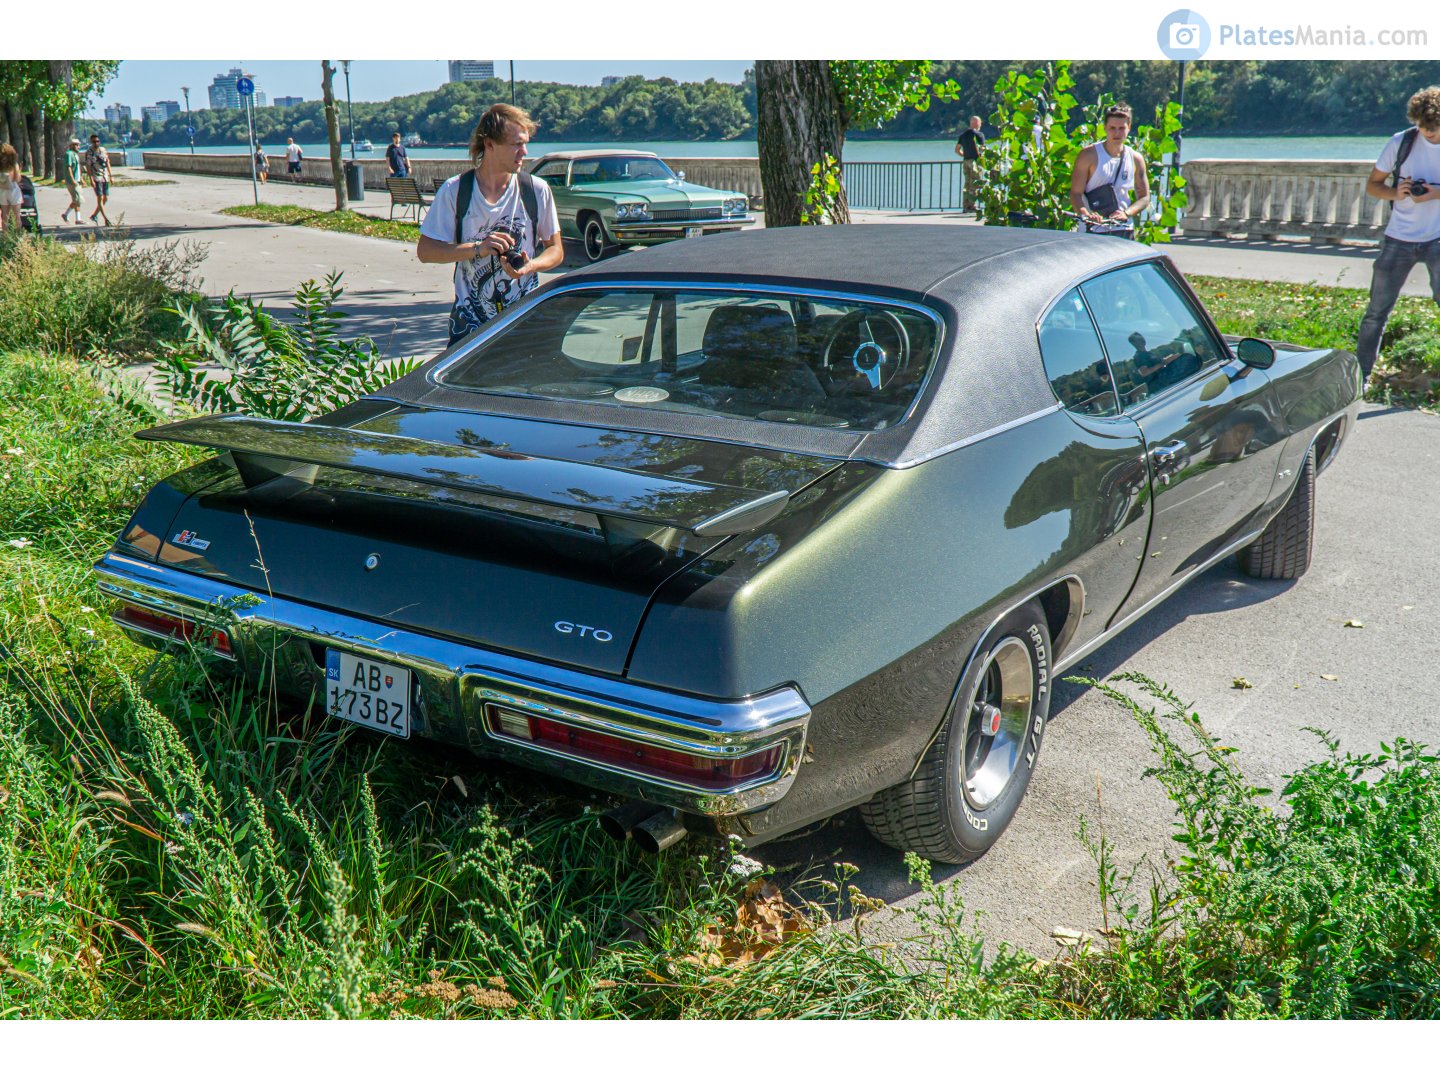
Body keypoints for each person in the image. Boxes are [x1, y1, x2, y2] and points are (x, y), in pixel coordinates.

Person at [417, 103, 564, 345]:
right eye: (517, 144)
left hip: (524, 324)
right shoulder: (456, 190)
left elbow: (556, 250)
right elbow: (426, 251)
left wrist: (531, 266)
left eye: (526, 143)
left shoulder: (536, 190)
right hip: (469, 328)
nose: (525, 152)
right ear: (489, 144)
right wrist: (478, 248)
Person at [1356, 86, 1440, 385]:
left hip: (1437, 238)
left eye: (1433, 128)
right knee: (1376, 311)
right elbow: (1373, 185)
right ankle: (1362, 376)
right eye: (1422, 127)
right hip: (1399, 238)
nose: (1427, 133)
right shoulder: (1401, 142)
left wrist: (1435, 193)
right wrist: (1396, 192)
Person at [1069, 104, 1149, 240]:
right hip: (1093, 230)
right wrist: (1087, 215)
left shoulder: (1136, 158)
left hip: (1124, 229)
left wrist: (1126, 213)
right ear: (1105, 127)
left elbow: (1144, 197)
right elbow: (1075, 193)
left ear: (1129, 128)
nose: (1117, 133)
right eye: (1112, 128)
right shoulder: (1088, 155)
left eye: (1121, 128)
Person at [954, 116, 985, 213]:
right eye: (980, 123)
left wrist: (965, 155)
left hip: (966, 161)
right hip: (975, 162)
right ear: (977, 124)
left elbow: (957, 149)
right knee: (974, 184)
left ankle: (965, 206)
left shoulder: (963, 135)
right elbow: (983, 149)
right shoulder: (979, 135)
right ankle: (971, 206)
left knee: (967, 184)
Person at [84, 134, 113, 226]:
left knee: (105, 198)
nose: (96, 143)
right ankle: (106, 219)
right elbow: (88, 166)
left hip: (105, 177)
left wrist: (111, 175)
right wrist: (91, 179)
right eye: (94, 141)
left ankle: (94, 215)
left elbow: (107, 162)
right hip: (96, 177)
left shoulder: (103, 150)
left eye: (97, 141)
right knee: (100, 198)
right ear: (91, 142)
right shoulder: (89, 152)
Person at [61, 136, 84, 223]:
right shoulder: (69, 154)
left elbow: (77, 169)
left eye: (78, 145)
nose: (78, 147)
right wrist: (72, 179)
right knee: (77, 199)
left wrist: (81, 179)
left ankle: (71, 216)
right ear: (71, 145)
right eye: (76, 145)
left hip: (77, 180)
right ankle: (75, 218)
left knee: (77, 199)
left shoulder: (75, 155)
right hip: (72, 181)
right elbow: (69, 167)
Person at [0, 143, 20, 232]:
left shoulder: (13, 165)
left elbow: (17, 179)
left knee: (15, 215)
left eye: (5, 155)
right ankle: (7, 236)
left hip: (11, 190)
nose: (3, 158)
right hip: (4, 191)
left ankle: (17, 236)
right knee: (6, 216)